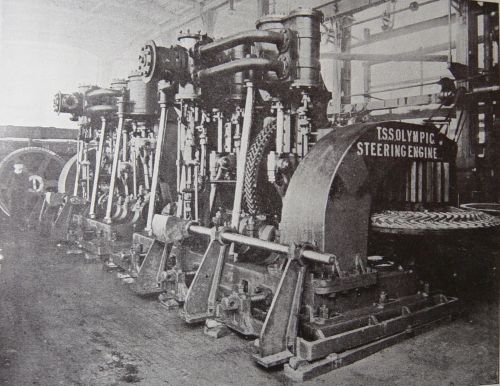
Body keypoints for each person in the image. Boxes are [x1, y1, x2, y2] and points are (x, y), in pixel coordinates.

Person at [9, 163, 30, 230]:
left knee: (22, 210)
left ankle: (22, 226)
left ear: (22, 166)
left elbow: (27, 185)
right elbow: (8, 184)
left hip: (22, 195)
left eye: (20, 165)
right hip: (13, 195)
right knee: (13, 210)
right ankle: (13, 226)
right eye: (17, 165)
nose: (19, 166)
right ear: (14, 166)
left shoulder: (25, 175)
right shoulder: (11, 174)